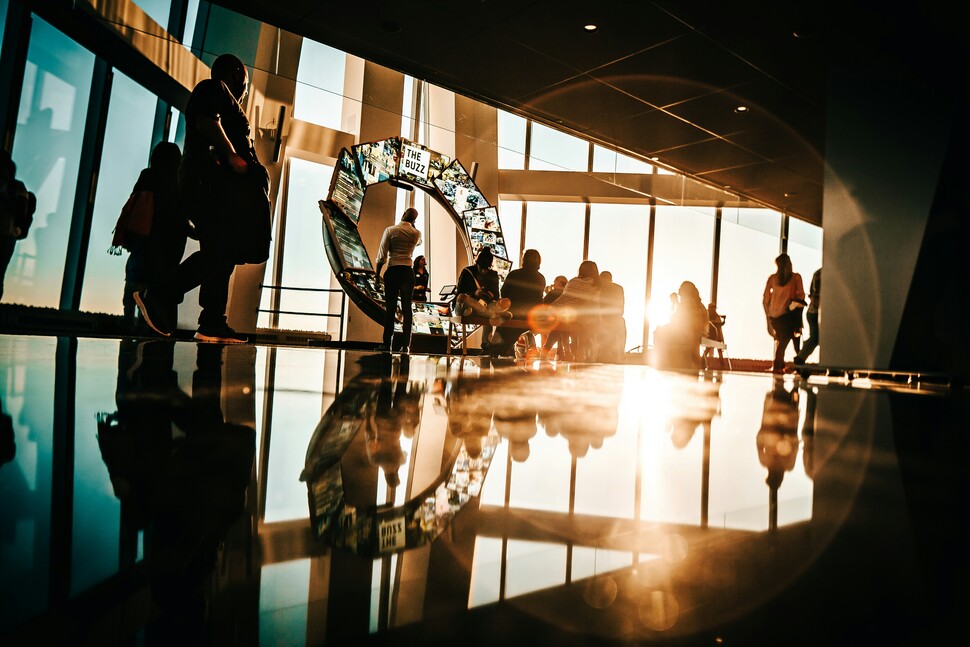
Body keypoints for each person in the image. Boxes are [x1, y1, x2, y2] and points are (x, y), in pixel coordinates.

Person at [134, 53, 258, 343]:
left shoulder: (222, 99)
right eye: (246, 83)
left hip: (215, 190)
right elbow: (206, 120)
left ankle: (212, 321)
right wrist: (232, 156)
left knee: (222, 254)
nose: (246, 91)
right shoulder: (213, 89)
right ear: (238, 74)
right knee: (222, 251)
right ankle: (161, 294)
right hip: (207, 187)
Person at [121, 142, 192, 326]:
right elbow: (182, 218)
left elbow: (133, 205)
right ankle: (160, 333)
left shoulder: (147, 176)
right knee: (163, 293)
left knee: (133, 292)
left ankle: (127, 330)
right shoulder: (179, 181)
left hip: (143, 243)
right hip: (169, 248)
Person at [375, 207, 422, 353]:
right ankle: (405, 345)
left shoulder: (390, 231)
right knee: (407, 309)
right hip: (408, 272)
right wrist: (413, 225)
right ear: (414, 220)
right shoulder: (416, 233)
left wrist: (377, 276)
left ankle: (386, 343)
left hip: (393, 270)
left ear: (402, 215)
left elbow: (381, 256)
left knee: (391, 308)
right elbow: (419, 242)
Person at [542, 260, 600, 362]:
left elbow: (565, 300)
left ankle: (545, 350)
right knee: (566, 325)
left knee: (558, 326)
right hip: (584, 318)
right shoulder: (596, 285)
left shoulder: (573, 281)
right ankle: (577, 354)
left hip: (567, 315)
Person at [455, 248, 511, 352]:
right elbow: (460, 294)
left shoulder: (493, 275)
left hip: (484, 305)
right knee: (464, 298)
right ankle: (494, 314)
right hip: (467, 305)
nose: (485, 270)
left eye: (488, 268)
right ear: (477, 264)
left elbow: (496, 296)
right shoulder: (467, 272)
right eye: (482, 267)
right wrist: (474, 293)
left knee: (499, 303)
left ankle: (486, 344)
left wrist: (491, 296)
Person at [492, 248, 546, 357]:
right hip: (530, 314)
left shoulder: (514, 274)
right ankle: (502, 349)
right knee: (514, 331)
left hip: (513, 311)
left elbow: (504, 293)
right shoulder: (541, 278)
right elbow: (539, 298)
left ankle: (496, 350)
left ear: (524, 259)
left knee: (504, 329)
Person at [762, 253, 806, 373]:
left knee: (783, 339)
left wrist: (768, 317)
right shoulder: (795, 278)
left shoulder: (772, 279)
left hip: (774, 317)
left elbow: (765, 299)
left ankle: (782, 365)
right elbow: (801, 295)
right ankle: (780, 365)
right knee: (789, 339)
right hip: (788, 315)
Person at [654, 281, 709, 370]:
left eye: (681, 296)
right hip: (692, 333)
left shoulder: (689, 304)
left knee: (659, 333)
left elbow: (680, 322)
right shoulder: (697, 304)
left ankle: (662, 364)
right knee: (661, 331)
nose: (680, 298)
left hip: (689, 334)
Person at [0, 150, 31, 302]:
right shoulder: (18, 187)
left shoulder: (15, 187)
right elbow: (21, 213)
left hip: (6, 234)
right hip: (7, 235)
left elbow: (19, 212)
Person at [794, 267, 821, 364]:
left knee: (815, 338)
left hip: (813, 311)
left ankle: (800, 358)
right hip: (817, 312)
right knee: (815, 338)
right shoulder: (823, 274)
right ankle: (800, 358)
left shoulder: (818, 273)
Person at [597, 270, 626, 362]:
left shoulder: (598, 288)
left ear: (600, 279)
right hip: (616, 317)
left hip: (600, 317)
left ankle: (604, 352)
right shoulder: (619, 288)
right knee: (620, 326)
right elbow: (621, 306)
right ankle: (620, 352)